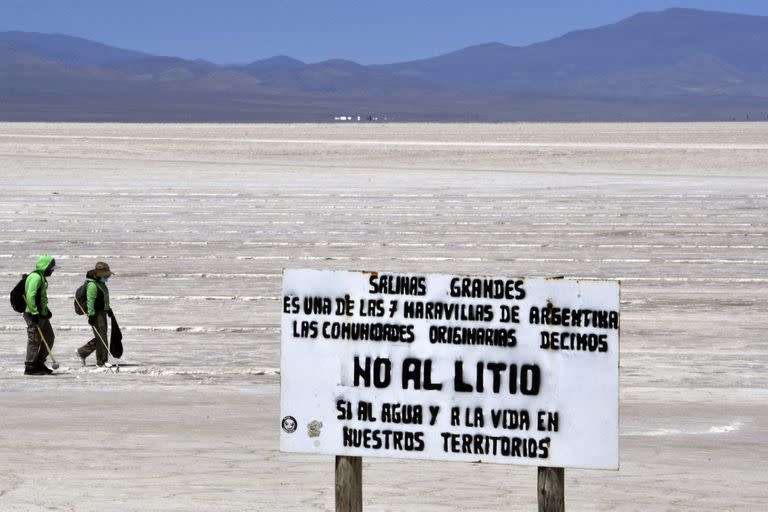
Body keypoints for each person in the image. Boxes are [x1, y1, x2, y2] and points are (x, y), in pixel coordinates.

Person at [23, 254, 57, 375]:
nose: (53, 270)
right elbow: (30, 296)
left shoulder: (41, 277)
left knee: (49, 337)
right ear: (46, 266)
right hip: (33, 314)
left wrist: (46, 310)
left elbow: (40, 297)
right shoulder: (35, 277)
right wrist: (35, 314)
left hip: (41, 314)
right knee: (34, 340)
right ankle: (30, 367)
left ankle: (39, 363)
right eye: (52, 268)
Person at [76, 262, 113, 367]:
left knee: (101, 337)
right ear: (100, 274)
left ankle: (82, 352)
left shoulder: (101, 284)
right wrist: (91, 316)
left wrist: (108, 309)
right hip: (96, 315)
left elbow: (103, 299)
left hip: (102, 313)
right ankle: (101, 362)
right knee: (102, 338)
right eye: (106, 275)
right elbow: (90, 302)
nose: (107, 277)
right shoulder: (92, 285)